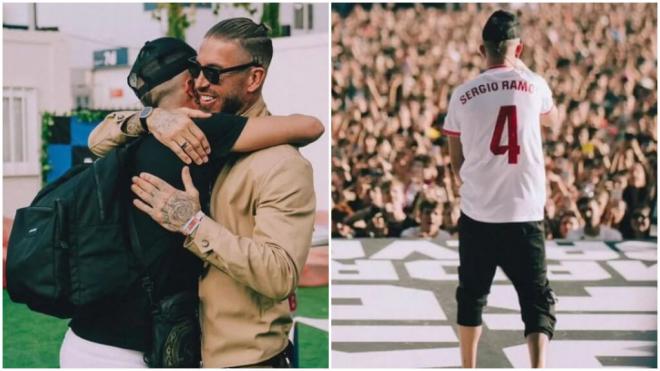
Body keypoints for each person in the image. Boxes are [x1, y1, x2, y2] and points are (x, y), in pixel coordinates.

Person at [60, 37, 322, 367]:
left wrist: (146, 118)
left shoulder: (127, 142)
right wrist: (192, 222)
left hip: (82, 339)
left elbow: (94, 139)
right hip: (132, 349)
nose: (203, 83)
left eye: (211, 73)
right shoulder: (201, 130)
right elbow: (310, 125)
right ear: (188, 83)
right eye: (201, 72)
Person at [443, 10, 557, 368]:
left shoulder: (462, 95)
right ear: (518, 48)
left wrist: (477, 181)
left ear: (482, 49)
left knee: (472, 294)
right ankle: (537, 366)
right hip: (525, 208)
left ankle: (468, 365)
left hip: (479, 210)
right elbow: (552, 121)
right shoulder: (535, 85)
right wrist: (522, 70)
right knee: (536, 297)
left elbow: (455, 160)